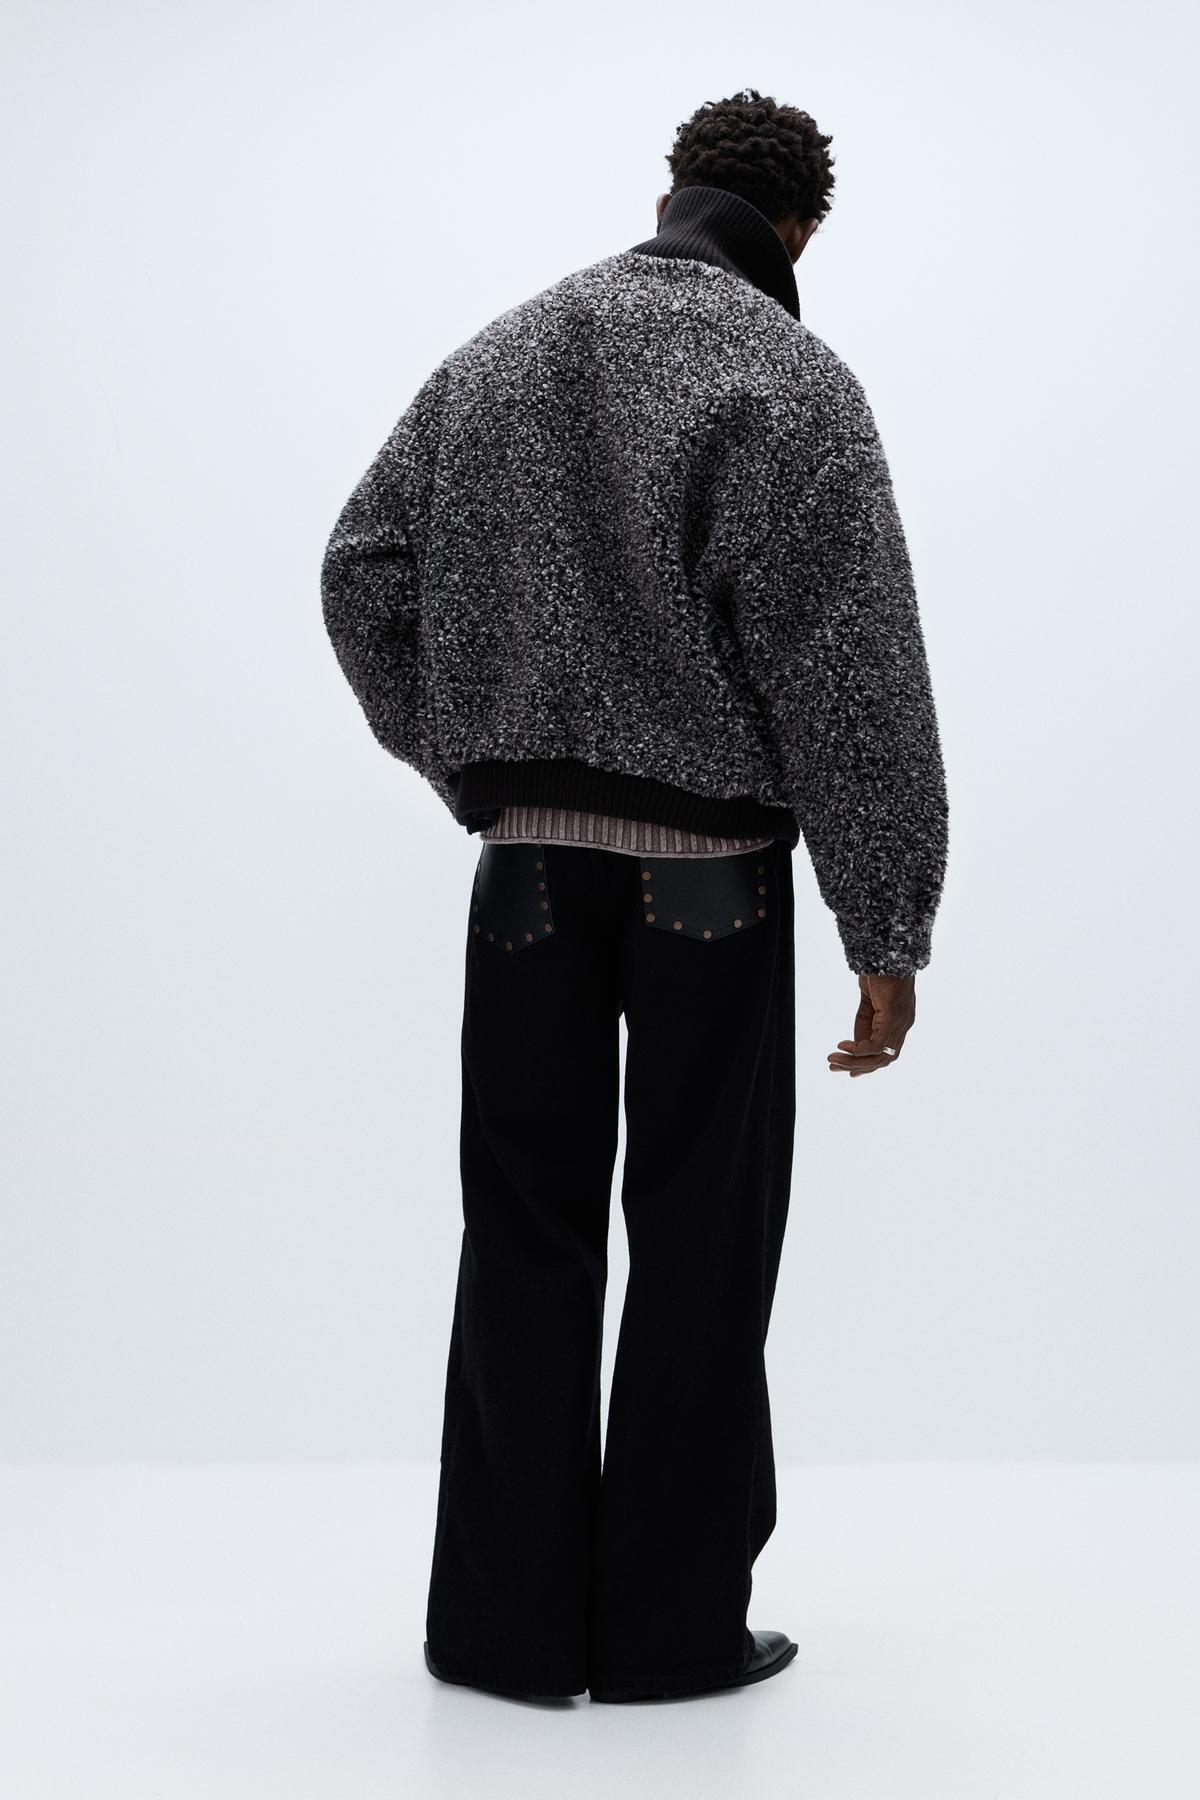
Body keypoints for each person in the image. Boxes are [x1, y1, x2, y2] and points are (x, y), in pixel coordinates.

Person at [320, 88, 949, 1705]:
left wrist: (472, 758)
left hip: (528, 871)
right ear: (797, 230)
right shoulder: (790, 378)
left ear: (669, 186)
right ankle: (669, 1634)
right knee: (698, 1248)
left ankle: (502, 1631)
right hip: (713, 885)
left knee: (521, 1227)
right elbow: (854, 676)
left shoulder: (504, 352)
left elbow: (361, 569)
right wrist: (886, 923)